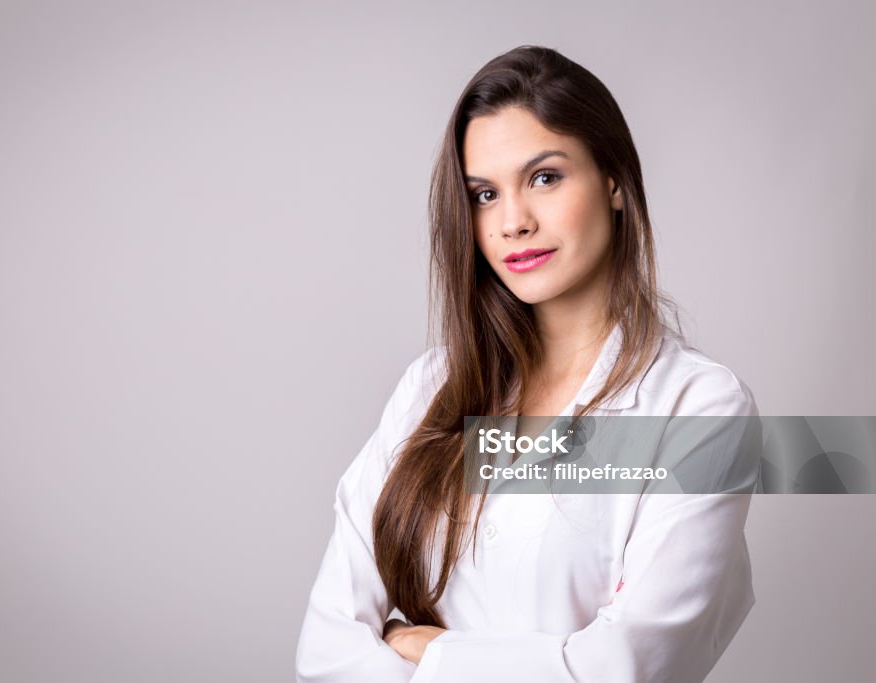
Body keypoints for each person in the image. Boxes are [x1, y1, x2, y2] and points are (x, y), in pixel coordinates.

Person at [295, 45, 761, 682]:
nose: (511, 221)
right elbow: (325, 653)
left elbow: (625, 671)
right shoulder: (430, 388)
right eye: (484, 194)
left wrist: (431, 653)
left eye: (544, 177)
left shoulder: (701, 411)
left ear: (614, 181)